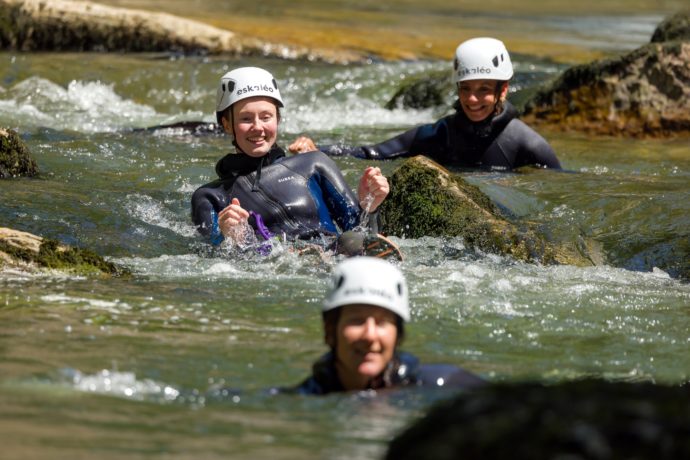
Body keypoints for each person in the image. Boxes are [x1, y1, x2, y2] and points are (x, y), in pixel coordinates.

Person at [289, 37, 561, 172]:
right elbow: (371, 153)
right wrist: (317, 149)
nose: (472, 99)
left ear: (503, 90)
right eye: (465, 89)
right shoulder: (439, 134)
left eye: (484, 90)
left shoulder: (527, 142)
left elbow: (560, 186)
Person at [191, 67, 390, 250]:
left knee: (350, 241)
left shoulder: (313, 163)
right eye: (246, 118)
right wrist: (229, 237)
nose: (258, 127)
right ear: (226, 125)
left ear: (278, 119)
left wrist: (369, 206)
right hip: (272, 262)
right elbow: (207, 255)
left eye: (266, 117)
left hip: (335, 250)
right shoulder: (210, 196)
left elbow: (361, 231)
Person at [286, 257, 485, 394]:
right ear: (330, 331)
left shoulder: (447, 385)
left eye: (382, 322)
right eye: (357, 320)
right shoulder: (301, 399)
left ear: (399, 336)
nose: (370, 335)